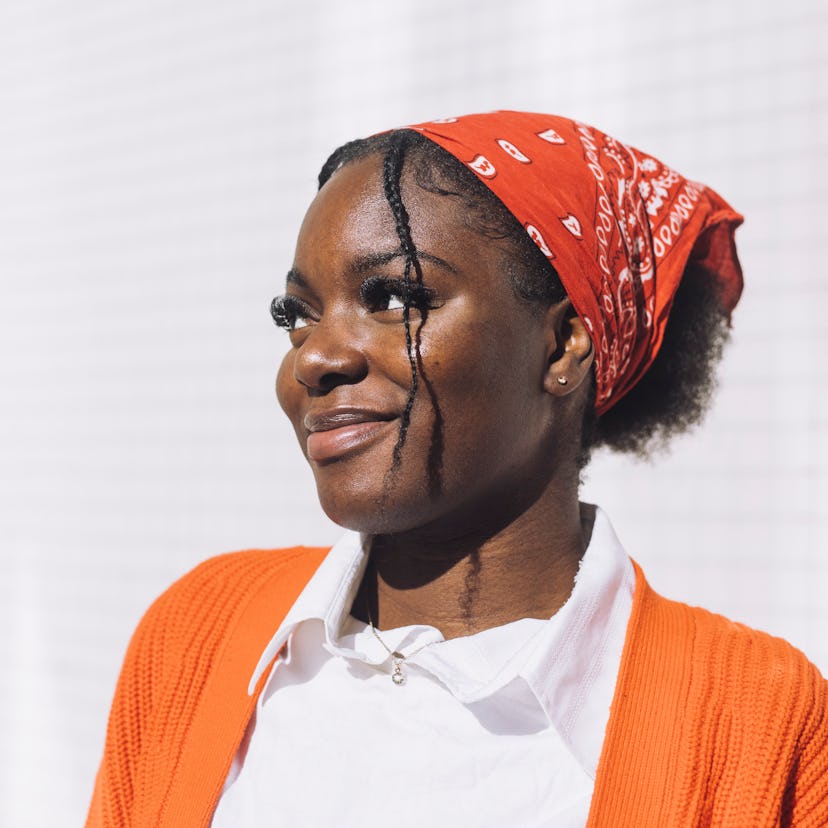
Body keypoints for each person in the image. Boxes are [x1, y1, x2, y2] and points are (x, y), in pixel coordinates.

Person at [86, 112, 828, 827]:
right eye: (297, 314)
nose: (313, 357)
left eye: (394, 298)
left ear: (565, 344)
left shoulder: (755, 717)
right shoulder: (201, 632)